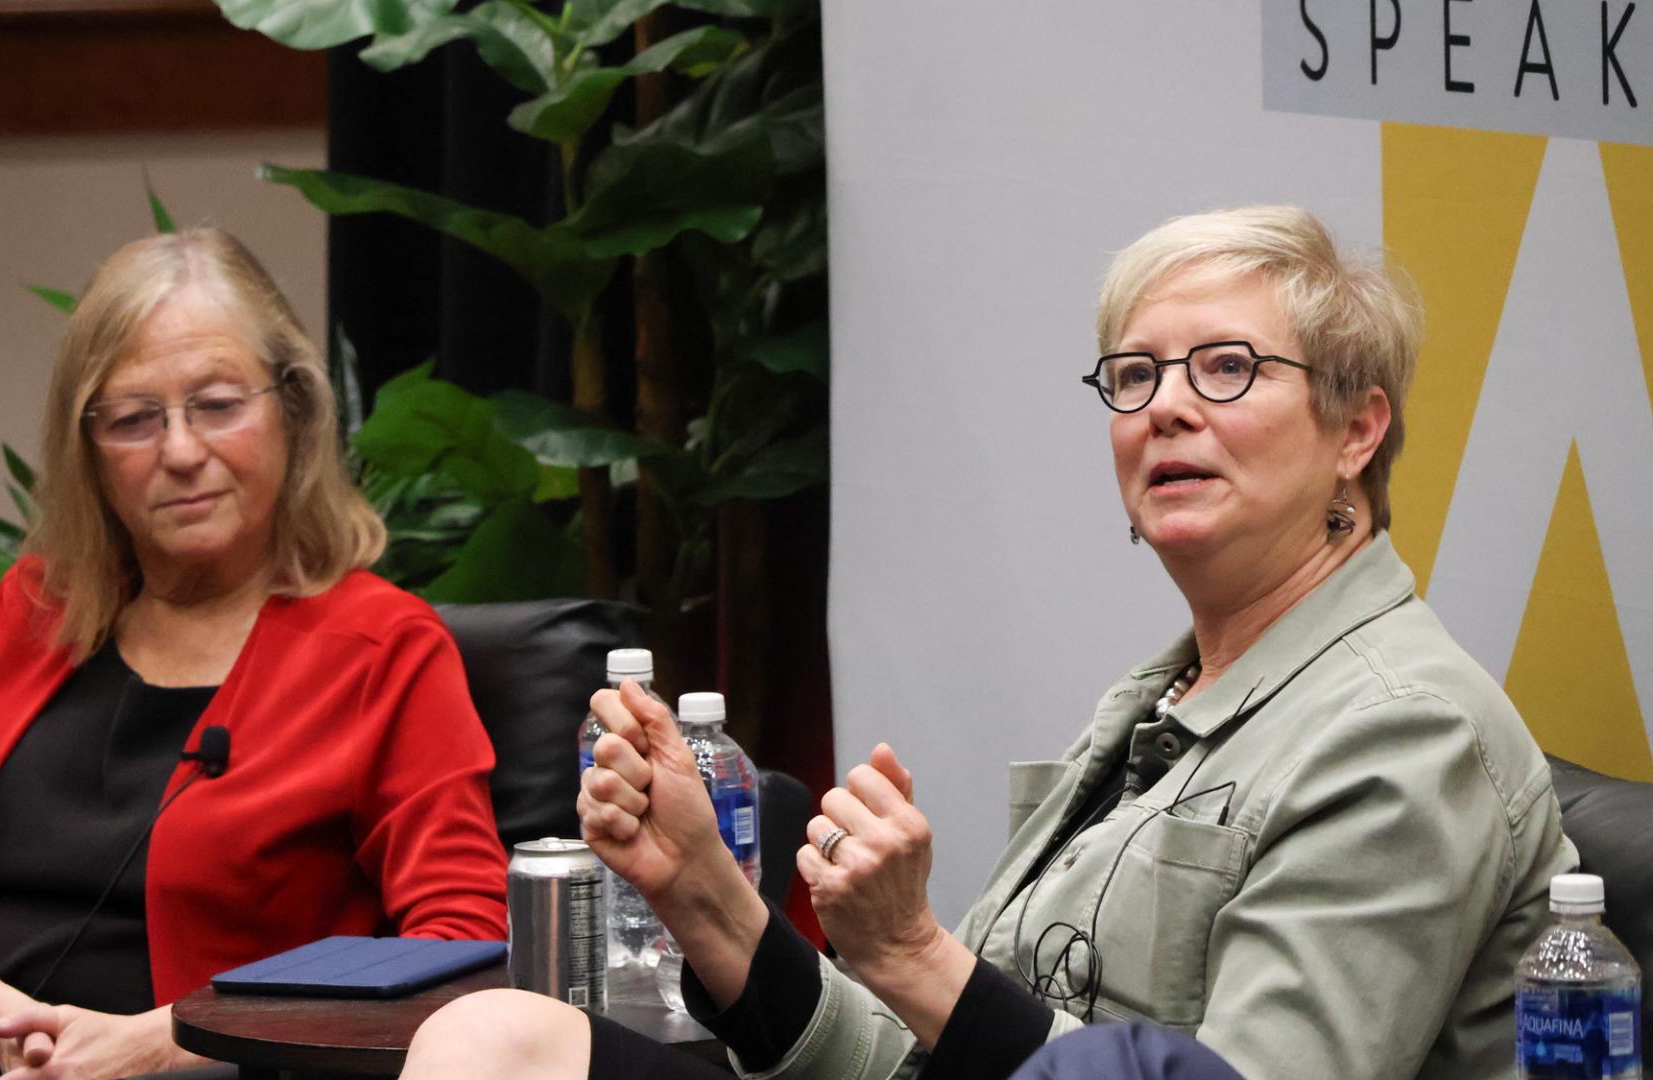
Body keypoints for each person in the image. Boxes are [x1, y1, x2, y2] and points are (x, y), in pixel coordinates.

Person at [398, 206, 1579, 1080]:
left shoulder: (1403, 731)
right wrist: (708, 897)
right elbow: (930, 1054)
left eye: (1226, 368)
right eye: (1134, 375)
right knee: (491, 1039)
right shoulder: (1159, 701)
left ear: (1356, 430)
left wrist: (913, 950)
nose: (1164, 406)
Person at [0, 228, 509, 1079]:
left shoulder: (382, 648)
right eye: (135, 419)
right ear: (88, 451)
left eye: (218, 405)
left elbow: (461, 949)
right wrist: (12, 1024)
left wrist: (165, 1042)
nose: (180, 452)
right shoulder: (27, 616)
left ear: (293, 411)